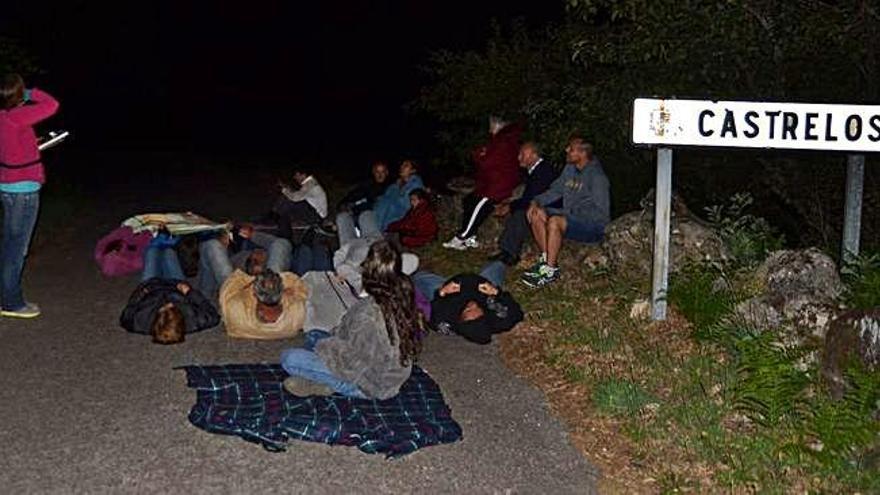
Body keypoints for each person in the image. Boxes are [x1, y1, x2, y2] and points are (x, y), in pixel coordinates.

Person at [280, 240, 426, 399]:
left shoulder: (370, 316)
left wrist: (326, 347)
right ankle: (322, 381)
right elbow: (346, 332)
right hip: (375, 364)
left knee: (289, 358)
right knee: (314, 334)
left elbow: (352, 363)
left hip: (371, 384)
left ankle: (335, 384)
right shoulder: (399, 292)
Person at [0, 74, 60, 318]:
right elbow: (52, 104)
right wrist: (29, 93)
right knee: (17, 249)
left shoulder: (4, 118)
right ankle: (12, 303)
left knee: (9, 244)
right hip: (23, 191)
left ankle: (6, 296)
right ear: (15, 95)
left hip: (7, 186)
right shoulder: (16, 116)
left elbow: (11, 147)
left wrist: (30, 144)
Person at [521, 136, 610, 288]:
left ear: (583, 153)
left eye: (571, 148)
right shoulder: (570, 169)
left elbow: (601, 214)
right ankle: (547, 261)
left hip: (593, 225)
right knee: (537, 212)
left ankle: (549, 271)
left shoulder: (597, 177)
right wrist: (536, 202)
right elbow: (555, 190)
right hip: (570, 217)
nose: (566, 150)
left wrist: (567, 214)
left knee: (555, 220)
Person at [443, 116, 522, 250]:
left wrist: (480, 155)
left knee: (481, 204)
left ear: (497, 125)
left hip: (499, 186)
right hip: (491, 183)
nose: (489, 129)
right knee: (469, 200)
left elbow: (486, 161)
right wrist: (481, 154)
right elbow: (484, 155)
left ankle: (461, 237)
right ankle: (470, 237)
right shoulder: (499, 140)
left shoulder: (504, 141)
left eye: (491, 125)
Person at [411, 261, 523, 345]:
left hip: (453, 294)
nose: (472, 305)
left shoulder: (443, 318)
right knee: (498, 265)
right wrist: (497, 293)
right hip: (483, 291)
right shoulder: (498, 322)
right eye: (477, 310)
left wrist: (441, 292)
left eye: (468, 310)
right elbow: (517, 313)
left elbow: (431, 313)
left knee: (419, 278)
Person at [488, 142, 559, 266]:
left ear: (533, 155)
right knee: (519, 211)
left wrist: (509, 207)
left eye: (522, 154)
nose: (519, 157)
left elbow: (532, 198)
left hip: (550, 208)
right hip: (540, 205)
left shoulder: (543, 171)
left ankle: (510, 253)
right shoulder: (534, 171)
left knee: (521, 215)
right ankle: (507, 251)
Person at [219, 263, 309, 340]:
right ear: (282, 291)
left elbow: (229, 286)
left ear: (254, 293)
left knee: (212, 246)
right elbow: (298, 284)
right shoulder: (296, 312)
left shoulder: (235, 310)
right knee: (280, 244)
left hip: (247, 285)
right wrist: (273, 278)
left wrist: (251, 276)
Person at [119, 279, 220, 344]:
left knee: (152, 252)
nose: (167, 303)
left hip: (152, 285)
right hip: (177, 286)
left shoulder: (140, 322)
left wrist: (140, 293)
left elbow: (127, 313)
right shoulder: (194, 321)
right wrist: (190, 293)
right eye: (171, 306)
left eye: (163, 307)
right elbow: (214, 317)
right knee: (169, 253)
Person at [272, 167, 328, 239]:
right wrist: (285, 188)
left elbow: (295, 198)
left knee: (288, 202)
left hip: (316, 217)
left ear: (303, 175)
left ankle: (284, 234)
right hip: (315, 213)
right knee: (287, 199)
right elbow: (298, 194)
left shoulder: (310, 184)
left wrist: (283, 189)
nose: (295, 177)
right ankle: (276, 216)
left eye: (297, 175)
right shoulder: (311, 182)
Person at [372, 159, 424, 231]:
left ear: (413, 170)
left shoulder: (416, 184)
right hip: (385, 219)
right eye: (402, 165)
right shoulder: (393, 187)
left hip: (400, 219)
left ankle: (376, 232)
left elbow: (408, 206)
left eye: (405, 166)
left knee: (385, 202)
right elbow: (381, 201)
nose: (401, 167)